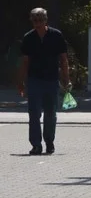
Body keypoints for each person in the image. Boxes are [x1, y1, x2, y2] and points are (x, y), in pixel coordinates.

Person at [17, 8, 71, 155]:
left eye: (40, 20)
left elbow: (63, 59)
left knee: (50, 113)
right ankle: (36, 144)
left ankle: (49, 142)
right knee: (34, 113)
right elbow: (25, 62)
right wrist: (21, 81)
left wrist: (66, 78)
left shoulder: (56, 35)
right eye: (35, 20)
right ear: (31, 21)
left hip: (52, 79)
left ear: (46, 20)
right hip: (34, 79)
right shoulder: (28, 38)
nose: (38, 23)